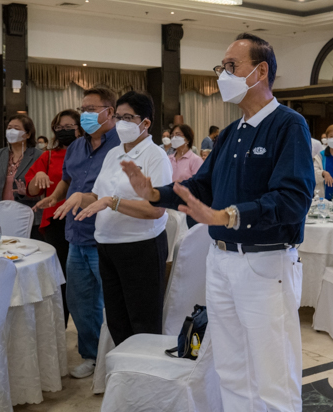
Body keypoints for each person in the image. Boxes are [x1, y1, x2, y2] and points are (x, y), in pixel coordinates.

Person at [121, 33, 314, 412]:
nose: (222, 75)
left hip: (265, 261)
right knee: (231, 367)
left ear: (261, 71)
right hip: (222, 260)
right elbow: (201, 187)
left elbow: (292, 199)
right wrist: (155, 193)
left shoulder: (288, 125)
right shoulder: (230, 134)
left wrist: (229, 215)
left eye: (231, 67)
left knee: (272, 373)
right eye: (221, 68)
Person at [56, 91, 172, 345]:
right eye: (118, 117)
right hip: (108, 245)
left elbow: (156, 209)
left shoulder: (155, 156)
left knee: (142, 321)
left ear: (146, 123)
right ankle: (123, 379)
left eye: (128, 117)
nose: (121, 123)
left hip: (140, 247)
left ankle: (142, 380)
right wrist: (79, 197)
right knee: (118, 321)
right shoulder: (114, 153)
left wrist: (114, 202)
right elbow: (98, 194)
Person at [34, 86, 120, 379]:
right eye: (83, 109)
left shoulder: (121, 145)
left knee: (113, 303)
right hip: (76, 235)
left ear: (110, 111)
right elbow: (69, 180)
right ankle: (92, 355)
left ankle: (118, 358)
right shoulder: (75, 147)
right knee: (80, 301)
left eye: (91, 109)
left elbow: (122, 191)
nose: (85, 115)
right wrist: (55, 197)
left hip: (107, 237)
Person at [25, 109, 82, 327]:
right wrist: (38, 176)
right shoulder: (48, 155)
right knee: (61, 277)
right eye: (60, 128)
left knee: (80, 280)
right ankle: (61, 324)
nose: (64, 131)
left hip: (82, 216)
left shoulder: (88, 152)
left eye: (69, 127)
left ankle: (85, 329)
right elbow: (30, 189)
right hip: (56, 219)